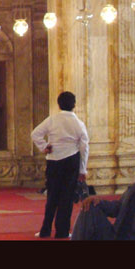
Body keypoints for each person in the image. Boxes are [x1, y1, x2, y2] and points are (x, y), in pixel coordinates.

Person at [31, 90, 89, 239]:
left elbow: (35, 134)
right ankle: (62, 231)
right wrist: (83, 169)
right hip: (71, 161)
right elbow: (84, 147)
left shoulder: (52, 120)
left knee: (52, 196)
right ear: (74, 105)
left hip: (53, 161)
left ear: (59, 104)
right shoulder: (78, 123)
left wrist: (44, 146)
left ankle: (45, 231)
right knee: (66, 197)